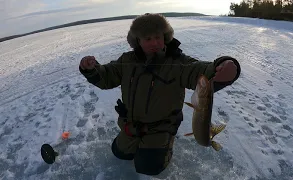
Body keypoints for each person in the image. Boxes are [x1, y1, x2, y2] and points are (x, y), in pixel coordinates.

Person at [79, 13, 241, 176]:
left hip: (160, 129)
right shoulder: (127, 60)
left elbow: (199, 70)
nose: (154, 43)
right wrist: (91, 69)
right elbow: (107, 76)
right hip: (131, 127)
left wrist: (223, 66)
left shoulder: (177, 62)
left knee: (149, 167)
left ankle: (166, 147)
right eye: (147, 39)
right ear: (138, 41)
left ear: (165, 36)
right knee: (119, 153)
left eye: (158, 37)